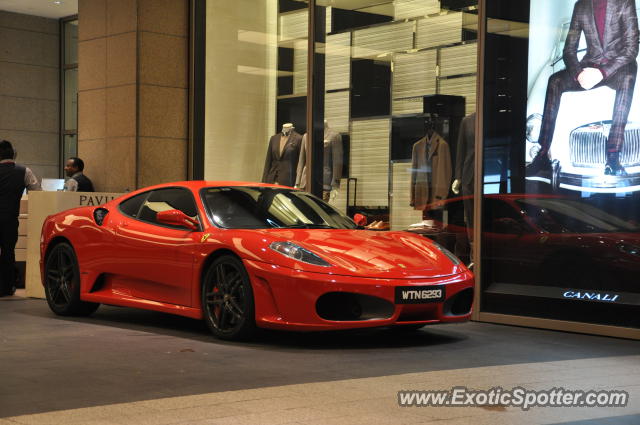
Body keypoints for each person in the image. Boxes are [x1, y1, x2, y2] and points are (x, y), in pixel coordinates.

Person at [527, 0, 639, 177]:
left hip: (619, 67)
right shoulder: (581, 5)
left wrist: (602, 72)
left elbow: (631, 49)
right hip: (590, 64)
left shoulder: (625, 2)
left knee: (628, 78)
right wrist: (579, 73)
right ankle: (542, 155)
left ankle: (613, 157)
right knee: (555, 81)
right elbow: (569, 50)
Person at [0, 140, 41, 297]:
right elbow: (37, 192)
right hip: (10, 218)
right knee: (8, 252)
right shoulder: (24, 171)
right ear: (14, 155)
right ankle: (6, 288)